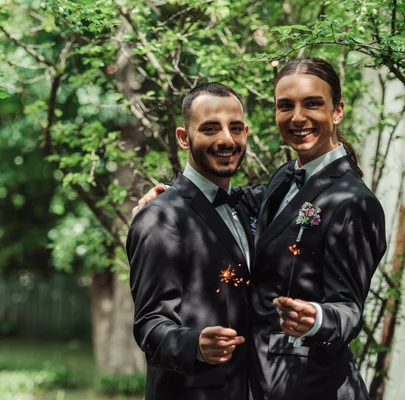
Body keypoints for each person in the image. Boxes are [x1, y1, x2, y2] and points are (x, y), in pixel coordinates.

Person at [134, 58, 387, 400]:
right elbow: (210, 203)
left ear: (337, 111)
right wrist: (165, 200)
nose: (298, 117)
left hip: (314, 386)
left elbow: (349, 309)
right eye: (286, 106)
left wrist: (316, 318)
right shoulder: (282, 181)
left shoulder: (353, 202)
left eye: (312, 103)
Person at [127, 82, 264, 400]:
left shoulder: (251, 205)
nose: (226, 139)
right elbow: (150, 324)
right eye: (211, 128)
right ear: (183, 138)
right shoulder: (159, 218)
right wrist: (195, 344)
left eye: (235, 128)